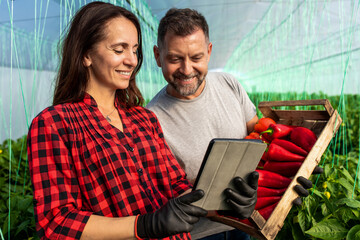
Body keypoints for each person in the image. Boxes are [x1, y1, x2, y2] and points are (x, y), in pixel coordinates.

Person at [27, 2, 258, 240]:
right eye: (119, 50)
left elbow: (176, 186)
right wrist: (143, 225)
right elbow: (56, 223)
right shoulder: (55, 124)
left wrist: (227, 200)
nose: (132, 60)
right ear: (86, 54)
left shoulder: (144, 119)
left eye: (135, 50)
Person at [146, 8, 316, 240]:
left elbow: (261, 139)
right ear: (157, 56)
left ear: (209, 51)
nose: (186, 70)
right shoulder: (150, 119)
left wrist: (293, 174)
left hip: (243, 225)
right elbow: (163, 193)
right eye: (175, 59)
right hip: (198, 234)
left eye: (196, 57)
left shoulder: (228, 83)